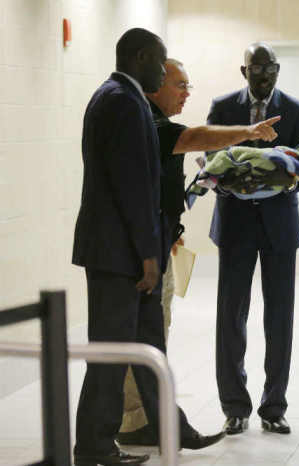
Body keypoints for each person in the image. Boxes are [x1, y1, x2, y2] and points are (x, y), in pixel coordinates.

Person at [71, 28, 221, 466]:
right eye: (160, 61)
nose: (163, 69)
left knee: (149, 348)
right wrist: (148, 256)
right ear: (140, 58)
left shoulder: (119, 96)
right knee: (111, 354)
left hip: (127, 249)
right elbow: (133, 185)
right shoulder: (121, 99)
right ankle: (94, 446)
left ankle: (166, 427)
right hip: (120, 255)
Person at [117, 58, 280, 447]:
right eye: (180, 84)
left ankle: (145, 418)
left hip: (158, 241)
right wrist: (248, 132)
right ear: (156, 85)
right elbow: (193, 138)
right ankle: (138, 420)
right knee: (143, 337)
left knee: (156, 332)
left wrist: (170, 230)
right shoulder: (147, 120)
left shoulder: (148, 117)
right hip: (141, 252)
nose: (187, 92)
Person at [207, 42, 299, 436]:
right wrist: (232, 181)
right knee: (230, 317)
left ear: (278, 69)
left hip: (279, 228)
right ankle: (234, 406)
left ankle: (274, 407)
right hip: (235, 225)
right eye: (257, 69)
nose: (264, 75)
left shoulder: (297, 110)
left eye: (270, 68)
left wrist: (275, 181)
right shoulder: (223, 108)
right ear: (244, 71)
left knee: (279, 318)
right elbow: (210, 158)